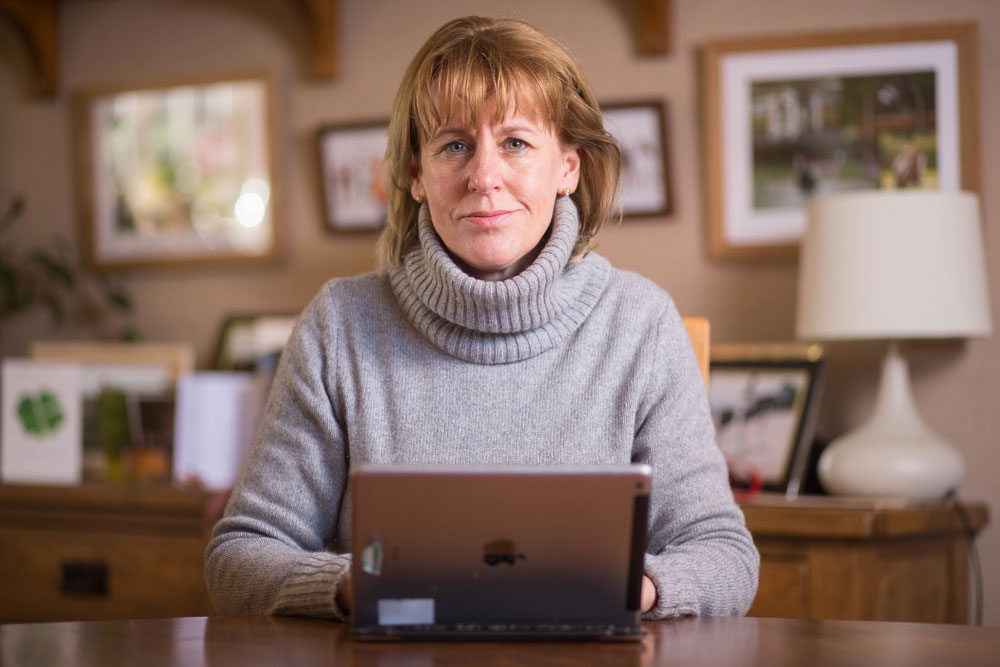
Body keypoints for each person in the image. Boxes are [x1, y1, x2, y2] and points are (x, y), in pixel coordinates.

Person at [206, 15, 759, 620]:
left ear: (568, 168)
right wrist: (354, 585)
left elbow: (725, 556)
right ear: (417, 175)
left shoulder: (642, 324)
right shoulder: (338, 325)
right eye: (454, 146)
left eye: (516, 143)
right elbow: (239, 556)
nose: (484, 176)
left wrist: (636, 587)